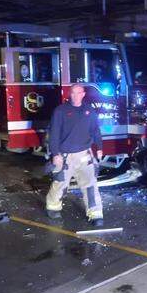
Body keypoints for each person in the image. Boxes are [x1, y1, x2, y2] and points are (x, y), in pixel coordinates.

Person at [45, 83, 105, 225]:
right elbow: (54, 133)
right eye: (73, 93)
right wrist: (55, 154)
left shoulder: (89, 110)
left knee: (90, 184)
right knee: (60, 183)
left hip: (85, 154)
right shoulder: (60, 111)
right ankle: (53, 207)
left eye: (78, 93)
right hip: (65, 156)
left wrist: (100, 147)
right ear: (69, 94)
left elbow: (95, 130)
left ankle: (95, 214)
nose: (75, 96)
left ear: (83, 94)